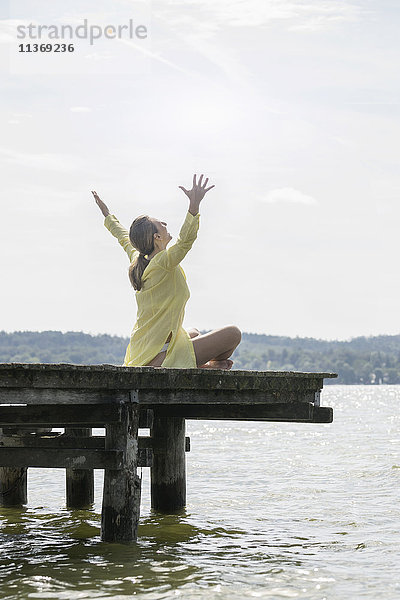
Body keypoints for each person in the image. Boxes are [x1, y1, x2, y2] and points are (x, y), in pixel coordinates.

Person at [92, 173, 241, 369]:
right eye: (161, 224)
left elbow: (121, 235)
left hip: (143, 351)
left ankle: (198, 366)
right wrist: (194, 207)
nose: (165, 224)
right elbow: (185, 240)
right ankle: (199, 368)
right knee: (233, 334)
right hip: (160, 356)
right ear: (157, 237)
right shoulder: (164, 262)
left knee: (193, 332)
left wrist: (107, 213)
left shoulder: (138, 259)